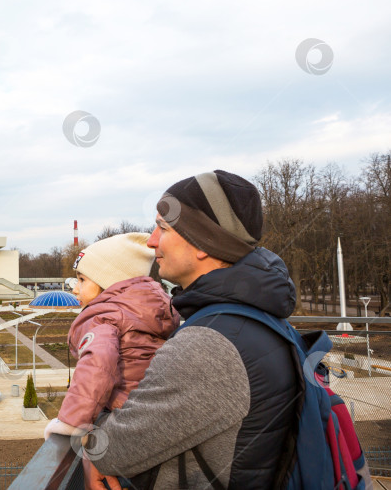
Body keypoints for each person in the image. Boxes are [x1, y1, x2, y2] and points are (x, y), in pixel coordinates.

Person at [83, 170, 301, 488]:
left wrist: (95, 419)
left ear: (202, 242)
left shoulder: (210, 343)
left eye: (163, 227)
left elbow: (110, 449)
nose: (151, 240)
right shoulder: (257, 319)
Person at [43, 233, 179, 489]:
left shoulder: (104, 317)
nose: (74, 288)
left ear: (109, 283)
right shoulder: (156, 310)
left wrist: (70, 423)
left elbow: (97, 364)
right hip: (154, 418)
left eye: (82, 280)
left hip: (121, 420)